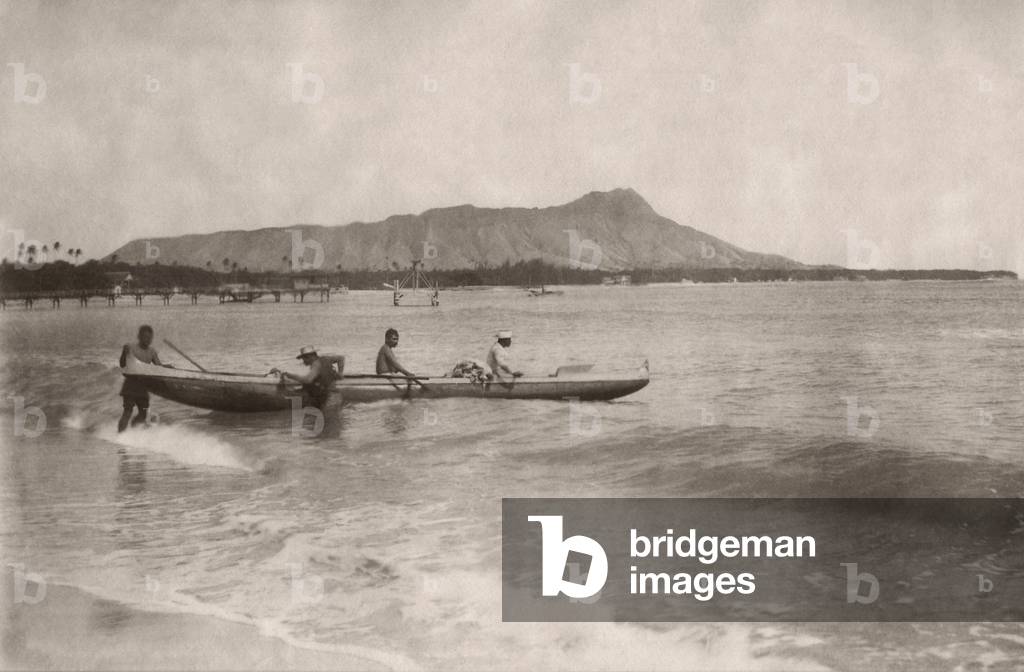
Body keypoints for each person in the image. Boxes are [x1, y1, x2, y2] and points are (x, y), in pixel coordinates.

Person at [118, 325, 170, 431]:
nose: (148, 340)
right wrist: (124, 353)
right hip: (130, 386)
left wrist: (168, 367)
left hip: (143, 387)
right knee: (128, 411)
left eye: (150, 338)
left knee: (143, 413)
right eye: (145, 337)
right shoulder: (131, 348)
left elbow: (158, 367)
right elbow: (122, 365)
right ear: (139, 336)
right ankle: (120, 436)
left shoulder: (152, 351)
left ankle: (132, 430)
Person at [269, 346, 345, 409]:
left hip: (330, 399)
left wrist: (290, 375)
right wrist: (340, 372)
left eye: (304, 359)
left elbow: (308, 380)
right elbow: (341, 358)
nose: (303, 361)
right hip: (334, 396)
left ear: (310, 357)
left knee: (328, 421)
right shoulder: (326, 359)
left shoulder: (316, 365)